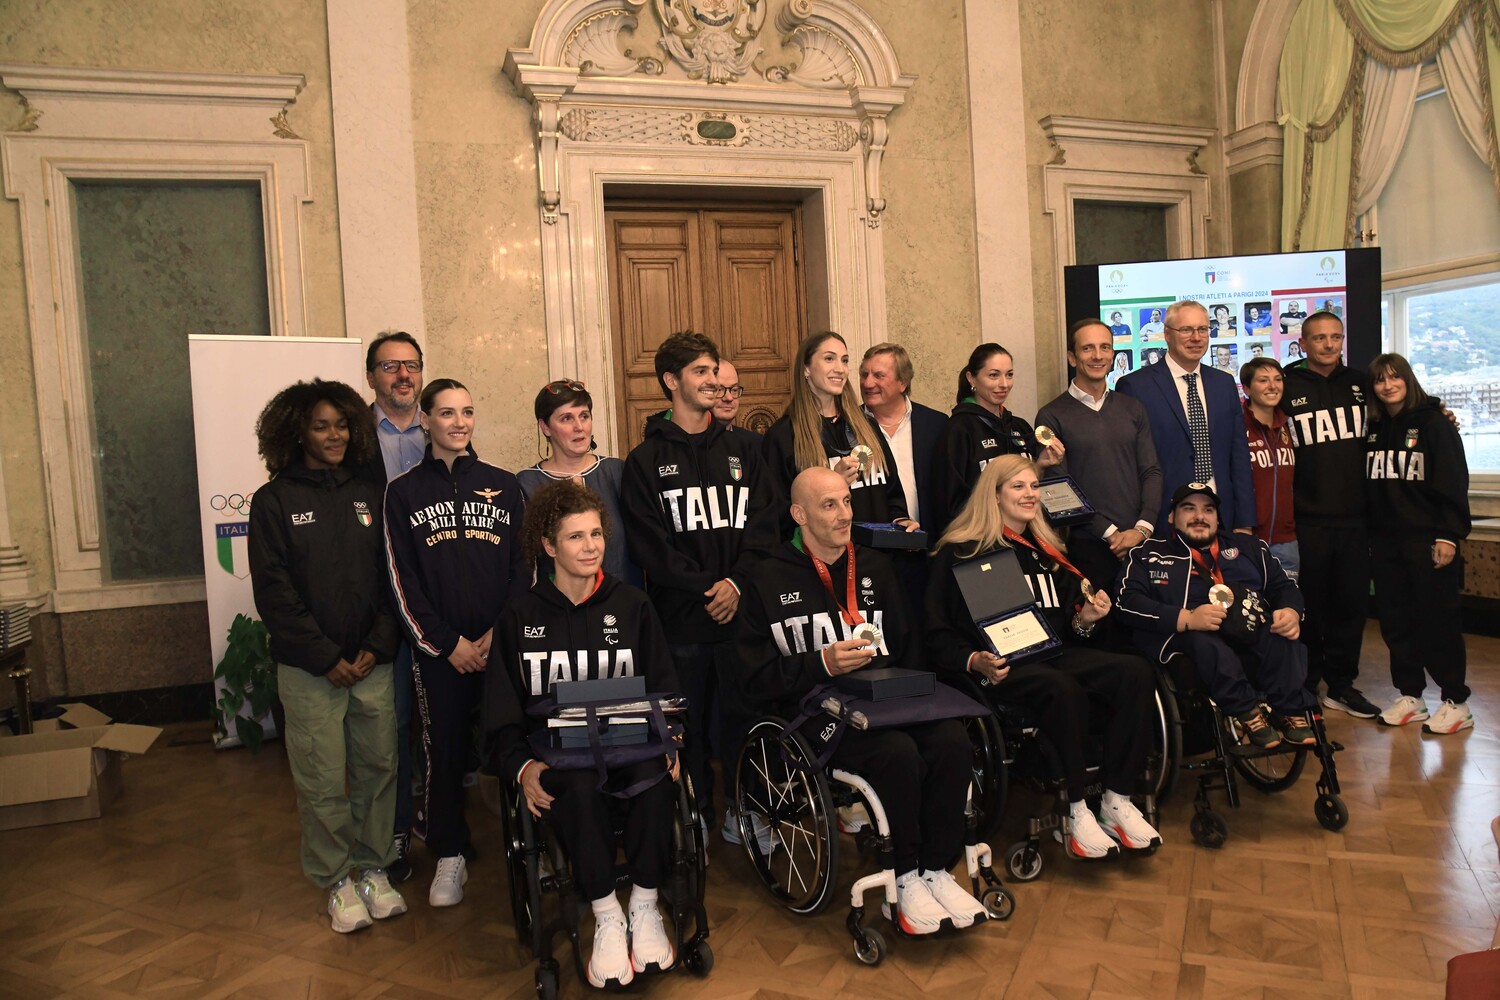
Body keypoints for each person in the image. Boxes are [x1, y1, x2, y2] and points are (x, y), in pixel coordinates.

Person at [735, 467, 988, 933]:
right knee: (897, 754)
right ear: (799, 514)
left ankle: (936, 867)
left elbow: (909, 647)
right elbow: (751, 679)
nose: (844, 514)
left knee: (952, 739)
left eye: (847, 502)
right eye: (829, 505)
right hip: (815, 711)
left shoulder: (875, 567)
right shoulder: (765, 577)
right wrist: (822, 663)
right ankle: (906, 876)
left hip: (888, 701)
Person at [484, 481, 681, 986]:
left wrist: (672, 740)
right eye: (576, 537)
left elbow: (666, 688)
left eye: (596, 534)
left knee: (656, 776)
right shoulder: (519, 615)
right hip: (561, 760)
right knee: (571, 788)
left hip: (632, 746)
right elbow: (501, 713)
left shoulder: (632, 605)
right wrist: (522, 767)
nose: (591, 546)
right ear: (549, 546)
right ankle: (607, 914)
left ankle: (643, 904)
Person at [927, 456, 1163, 858]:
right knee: (1062, 687)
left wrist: (1085, 618)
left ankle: (1116, 801)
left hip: (1053, 655)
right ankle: (1075, 811)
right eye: (1018, 487)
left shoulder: (1049, 551)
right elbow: (935, 634)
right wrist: (973, 660)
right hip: (999, 670)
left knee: (1135, 672)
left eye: (1034, 486)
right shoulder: (961, 552)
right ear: (994, 495)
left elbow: (1074, 628)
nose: (1030, 494)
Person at [247, 379, 406, 933]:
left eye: (341, 424)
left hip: (372, 663)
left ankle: (373, 867)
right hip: (310, 670)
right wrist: (324, 656)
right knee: (321, 778)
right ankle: (337, 879)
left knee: (378, 769)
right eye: (321, 425)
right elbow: (273, 591)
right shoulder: (274, 501)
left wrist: (375, 646)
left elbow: (393, 577)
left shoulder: (371, 494)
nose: (334, 434)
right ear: (297, 432)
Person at [620, 331, 777, 837]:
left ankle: (744, 809)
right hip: (683, 621)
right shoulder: (644, 461)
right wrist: (707, 589)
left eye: (715, 371)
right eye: (702, 372)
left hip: (742, 614)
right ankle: (696, 817)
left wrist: (735, 583)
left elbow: (765, 525)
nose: (715, 382)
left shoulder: (745, 450)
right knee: (685, 728)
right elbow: (650, 546)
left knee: (743, 719)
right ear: (671, 381)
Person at [384, 378, 527, 908]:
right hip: (440, 653)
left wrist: (497, 634)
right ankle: (449, 853)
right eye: (447, 413)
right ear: (425, 420)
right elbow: (402, 581)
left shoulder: (505, 484)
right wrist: (447, 644)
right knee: (442, 751)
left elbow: (522, 568)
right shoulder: (402, 494)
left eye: (467, 411)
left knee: (513, 742)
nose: (460, 422)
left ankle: (530, 841)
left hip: (498, 647)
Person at [1117, 483, 1318, 749]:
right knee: (1205, 642)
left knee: (1282, 633)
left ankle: (1289, 709)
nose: (1200, 517)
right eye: (1189, 509)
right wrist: (1186, 618)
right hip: (1185, 640)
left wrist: (1291, 611)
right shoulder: (1147, 554)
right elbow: (1126, 602)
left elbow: (1284, 587)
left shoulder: (1249, 548)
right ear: (1170, 517)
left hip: (1247, 629)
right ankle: (1247, 712)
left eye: (1208, 510)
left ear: (1217, 517)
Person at [1365, 354, 1474, 734]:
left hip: (1428, 541)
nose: (1388, 385)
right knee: (1395, 622)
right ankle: (1411, 695)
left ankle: (1456, 700)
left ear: (1408, 381)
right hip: (1385, 542)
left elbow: (1453, 481)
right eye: (1380, 380)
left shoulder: (1433, 424)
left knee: (1437, 621)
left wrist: (1448, 534)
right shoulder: (1374, 426)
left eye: (1395, 378)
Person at [1280, 312, 1381, 719]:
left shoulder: (1362, 384)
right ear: (1303, 344)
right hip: (1306, 520)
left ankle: (1342, 685)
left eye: (1335, 337)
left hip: (1356, 520)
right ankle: (1306, 683)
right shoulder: (1285, 385)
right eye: (1319, 338)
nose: (1328, 345)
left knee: (1351, 606)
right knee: (1310, 606)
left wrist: (1438, 413)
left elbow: (1399, 412)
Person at [357, 330, 426, 882]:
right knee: (394, 725)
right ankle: (396, 831)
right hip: (383, 604)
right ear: (372, 376)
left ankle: (442, 821)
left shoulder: (443, 429)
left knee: (442, 721)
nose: (402, 375)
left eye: (411, 365)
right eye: (390, 366)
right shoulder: (352, 439)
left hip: (437, 604)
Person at [1034, 319, 1161, 603]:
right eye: (1088, 348)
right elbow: (1058, 489)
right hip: (1089, 546)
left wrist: (1140, 530)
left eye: (1105, 347)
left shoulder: (1132, 408)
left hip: (1141, 544)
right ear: (1072, 357)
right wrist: (1114, 534)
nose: (1098, 355)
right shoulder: (1051, 415)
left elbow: (1151, 471)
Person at [1116, 299, 1256, 533]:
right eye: (1186, 330)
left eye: (1202, 329)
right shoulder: (1135, 386)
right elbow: (1128, 465)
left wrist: (1244, 522)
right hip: (1164, 519)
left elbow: (1238, 456)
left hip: (1221, 517)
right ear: (1167, 334)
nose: (1196, 337)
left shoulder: (1224, 384)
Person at [763, 332, 915, 537]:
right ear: (806, 368)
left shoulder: (867, 425)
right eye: (829, 358)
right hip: (824, 563)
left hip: (879, 560)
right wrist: (832, 483)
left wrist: (901, 521)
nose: (840, 368)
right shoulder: (784, 436)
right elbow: (779, 516)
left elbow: (892, 495)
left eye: (844, 360)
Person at [517, 379, 639, 586]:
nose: (579, 427)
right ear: (545, 427)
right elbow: (526, 561)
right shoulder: (527, 483)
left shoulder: (618, 471)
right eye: (566, 419)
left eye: (584, 416)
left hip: (623, 603)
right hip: (558, 609)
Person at [934, 343, 1063, 534]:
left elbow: (1025, 487)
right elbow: (950, 500)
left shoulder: (1020, 426)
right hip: (981, 537)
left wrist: (1041, 466)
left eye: (1009, 374)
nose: (1004, 384)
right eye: (993, 375)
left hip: (1024, 534)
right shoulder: (959, 428)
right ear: (972, 378)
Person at [860, 342, 948, 530]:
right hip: (871, 549)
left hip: (927, 546)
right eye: (864, 374)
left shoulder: (936, 425)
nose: (867, 383)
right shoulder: (849, 426)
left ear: (903, 382)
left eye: (878, 375)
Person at [1240, 358, 1298, 579]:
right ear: (1246, 388)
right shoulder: (1237, 426)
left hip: (1286, 540)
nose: (1272, 386)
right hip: (1248, 537)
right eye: (1263, 380)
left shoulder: (1289, 425)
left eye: (1277, 380)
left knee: (1287, 608)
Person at [713, 358, 762, 448]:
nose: (729, 398)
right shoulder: (691, 445)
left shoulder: (755, 444)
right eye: (720, 390)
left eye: (734, 390)